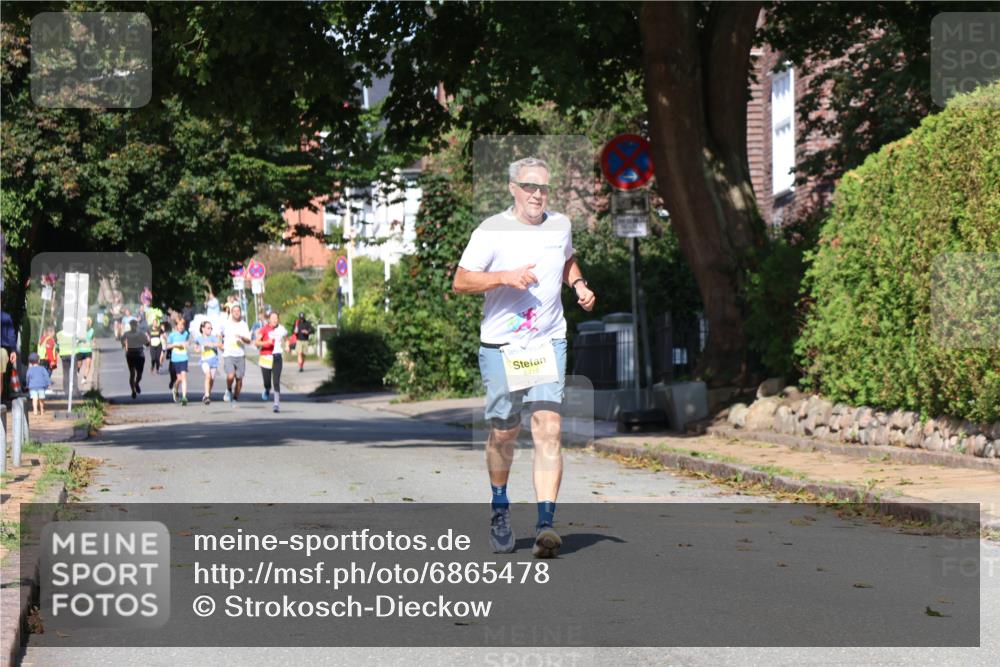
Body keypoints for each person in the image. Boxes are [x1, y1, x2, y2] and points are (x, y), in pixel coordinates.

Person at [452, 156, 596, 559]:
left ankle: (545, 524)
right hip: (503, 346)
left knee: (548, 427)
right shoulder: (491, 231)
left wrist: (578, 283)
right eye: (530, 186)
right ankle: (500, 505)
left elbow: (566, 258)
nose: (537, 194)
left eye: (544, 188)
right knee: (504, 431)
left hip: (547, 341)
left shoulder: (560, 225)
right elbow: (461, 280)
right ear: (513, 188)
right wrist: (504, 276)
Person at [255, 310, 287, 413]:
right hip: (266, 356)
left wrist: (286, 345)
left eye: (276, 318)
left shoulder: (281, 329)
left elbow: (285, 338)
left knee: (276, 381)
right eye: (272, 318)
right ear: (269, 319)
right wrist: (266, 342)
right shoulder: (264, 329)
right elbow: (257, 342)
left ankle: (276, 404)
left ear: (278, 319)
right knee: (267, 381)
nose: (274, 320)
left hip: (277, 357)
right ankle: (267, 389)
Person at [219, 304, 251, 403]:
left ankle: (235, 398)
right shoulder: (226, 323)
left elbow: (249, 341)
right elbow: (219, 333)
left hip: (240, 354)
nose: (237, 313)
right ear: (231, 313)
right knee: (230, 375)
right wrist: (220, 344)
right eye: (235, 311)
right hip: (228, 353)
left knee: (239, 379)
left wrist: (242, 337)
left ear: (240, 313)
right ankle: (228, 389)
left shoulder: (243, 324)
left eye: (238, 311)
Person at [194, 320, 221, 404]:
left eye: (211, 328)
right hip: (204, 361)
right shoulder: (199, 338)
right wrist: (200, 348)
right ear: (203, 329)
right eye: (208, 328)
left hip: (214, 361)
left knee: (212, 379)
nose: (210, 330)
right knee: (208, 375)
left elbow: (219, 344)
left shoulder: (213, 337)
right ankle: (207, 396)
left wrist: (210, 344)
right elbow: (196, 349)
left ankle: (207, 394)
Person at [122, 319, 149, 399]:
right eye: (132, 325)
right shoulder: (127, 334)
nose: (133, 326)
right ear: (130, 326)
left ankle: (136, 383)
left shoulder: (141, 334)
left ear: (137, 326)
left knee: (139, 374)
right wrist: (125, 345)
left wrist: (146, 341)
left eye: (135, 325)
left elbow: (147, 344)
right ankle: (133, 391)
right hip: (130, 355)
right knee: (132, 373)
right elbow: (123, 341)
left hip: (140, 355)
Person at [167, 318, 191, 406]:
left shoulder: (186, 334)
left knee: (184, 377)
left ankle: (184, 397)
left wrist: (186, 344)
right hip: (175, 359)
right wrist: (175, 345)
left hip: (184, 358)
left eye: (183, 325)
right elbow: (167, 346)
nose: (181, 327)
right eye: (179, 325)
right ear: (176, 326)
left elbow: (188, 342)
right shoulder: (172, 335)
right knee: (180, 378)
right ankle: (175, 388)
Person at [76, 317, 95, 388]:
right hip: (80, 350)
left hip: (88, 350)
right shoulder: (80, 331)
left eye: (88, 322)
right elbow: (76, 338)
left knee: (88, 365)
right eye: (86, 322)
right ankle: (77, 371)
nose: (87, 324)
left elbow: (93, 338)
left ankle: (84, 378)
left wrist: (93, 342)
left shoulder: (92, 330)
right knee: (79, 364)